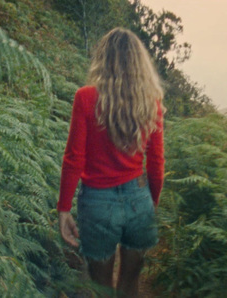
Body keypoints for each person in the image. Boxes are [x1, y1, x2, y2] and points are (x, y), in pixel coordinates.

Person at [57, 27, 165, 297]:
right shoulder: (151, 101)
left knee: (101, 287)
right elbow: (156, 161)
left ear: (103, 60)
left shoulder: (85, 97)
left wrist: (64, 209)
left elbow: (74, 159)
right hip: (138, 198)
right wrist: (151, 202)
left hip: (97, 204)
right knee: (130, 285)